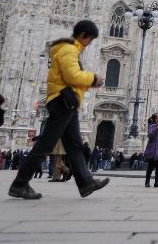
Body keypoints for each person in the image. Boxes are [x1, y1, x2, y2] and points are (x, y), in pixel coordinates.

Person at [8, 20, 109, 200]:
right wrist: (93, 78)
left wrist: (88, 84)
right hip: (63, 100)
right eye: (90, 40)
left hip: (67, 101)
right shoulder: (69, 50)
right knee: (46, 144)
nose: (90, 44)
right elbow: (71, 76)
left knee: (75, 146)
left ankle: (86, 183)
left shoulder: (70, 49)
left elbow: (69, 78)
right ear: (83, 35)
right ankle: (20, 184)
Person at [144, 113, 158, 187]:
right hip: (152, 150)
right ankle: (147, 182)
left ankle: (157, 182)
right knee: (150, 167)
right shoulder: (151, 127)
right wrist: (156, 129)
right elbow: (150, 136)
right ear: (156, 119)